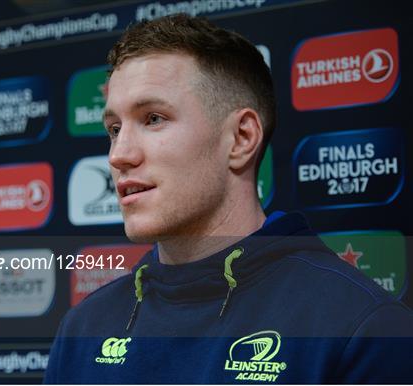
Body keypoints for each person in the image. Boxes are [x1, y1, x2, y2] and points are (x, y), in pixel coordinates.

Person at [44, 14, 413, 383]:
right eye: (114, 128)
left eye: (153, 118)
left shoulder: (362, 328)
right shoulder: (82, 329)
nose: (118, 155)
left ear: (241, 138)